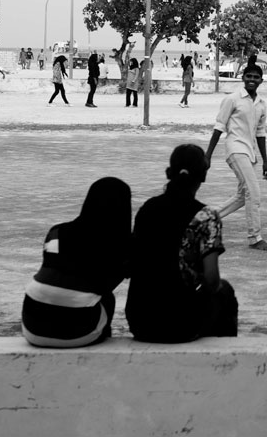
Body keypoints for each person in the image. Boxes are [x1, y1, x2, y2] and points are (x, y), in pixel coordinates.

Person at [126, 144, 239, 342]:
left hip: (140, 319)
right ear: (203, 176)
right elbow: (212, 280)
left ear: (169, 172)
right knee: (225, 292)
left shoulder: (148, 208)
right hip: (179, 324)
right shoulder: (206, 216)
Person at [21, 177, 131, 347]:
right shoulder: (118, 245)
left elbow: (54, 268)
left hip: (31, 323)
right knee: (106, 298)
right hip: (77, 332)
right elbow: (108, 284)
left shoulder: (56, 231)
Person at [204, 63, 267, 251]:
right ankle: (255, 237)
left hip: (250, 153)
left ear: (261, 80)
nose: (252, 80)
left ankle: (204, 219)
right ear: (242, 78)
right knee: (254, 191)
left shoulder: (261, 104)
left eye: (255, 77)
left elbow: (260, 133)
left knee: (243, 196)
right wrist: (207, 155)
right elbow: (219, 127)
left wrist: (265, 161)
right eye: (248, 76)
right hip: (235, 149)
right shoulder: (232, 99)